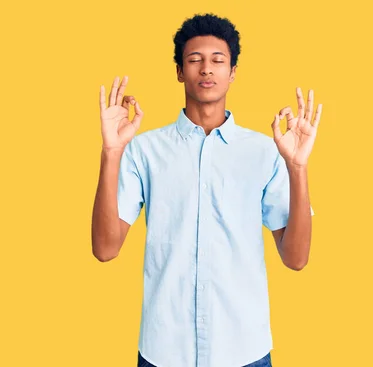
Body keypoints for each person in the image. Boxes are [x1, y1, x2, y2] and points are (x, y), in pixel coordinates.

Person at [91, 13, 322, 367]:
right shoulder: (144, 150)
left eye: (218, 60)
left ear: (232, 72)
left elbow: (296, 259)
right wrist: (111, 153)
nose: (206, 69)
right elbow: (105, 249)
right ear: (180, 71)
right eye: (194, 59)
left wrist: (298, 167)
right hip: (164, 350)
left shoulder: (265, 151)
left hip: (244, 349)